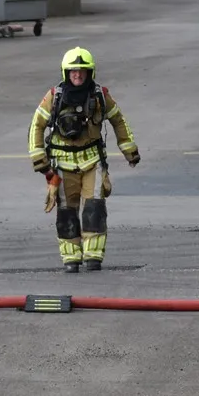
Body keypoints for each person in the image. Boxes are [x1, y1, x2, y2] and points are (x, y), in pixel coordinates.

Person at [28, 47, 140, 272]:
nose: (77, 75)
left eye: (82, 71)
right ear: (65, 73)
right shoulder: (54, 96)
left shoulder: (100, 95)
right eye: (73, 71)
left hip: (92, 162)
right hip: (62, 164)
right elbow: (36, 126)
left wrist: (130, 151)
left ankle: (93, 256)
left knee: (94, 208)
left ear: (90, 73)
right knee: (66, 211)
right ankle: (71, 259)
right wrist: (40, 161)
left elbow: (118, 120)